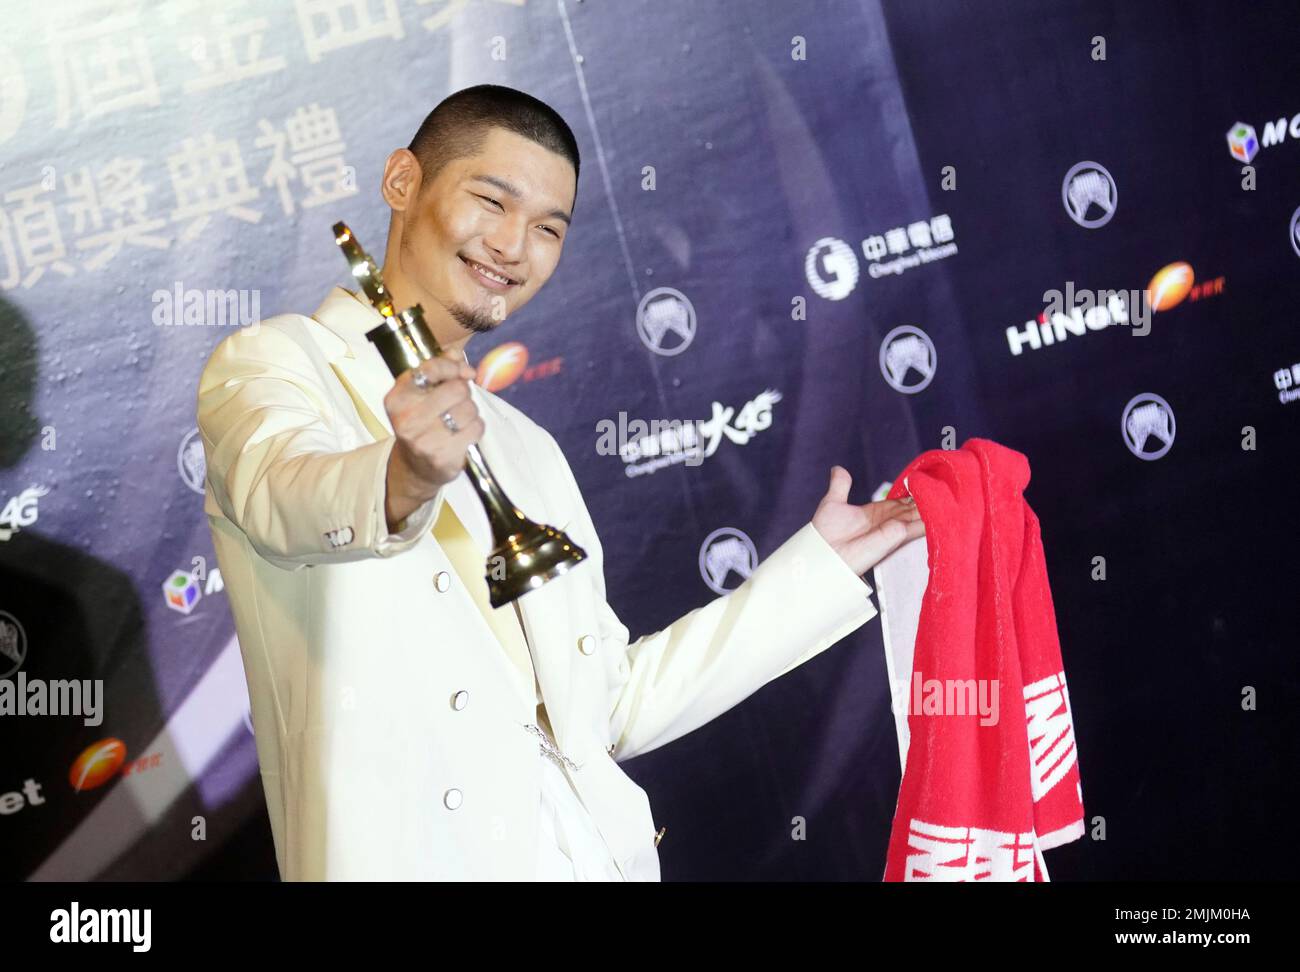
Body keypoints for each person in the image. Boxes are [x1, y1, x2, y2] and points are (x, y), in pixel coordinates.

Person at [196, 83, 924, 881]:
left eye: (548, 228)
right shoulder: (278, 362)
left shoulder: (524, 444)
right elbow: (284, 495)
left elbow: (609, 706)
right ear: (403, 182)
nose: (513, 246)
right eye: (491, 201)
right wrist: (405, 476)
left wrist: (821, 565)